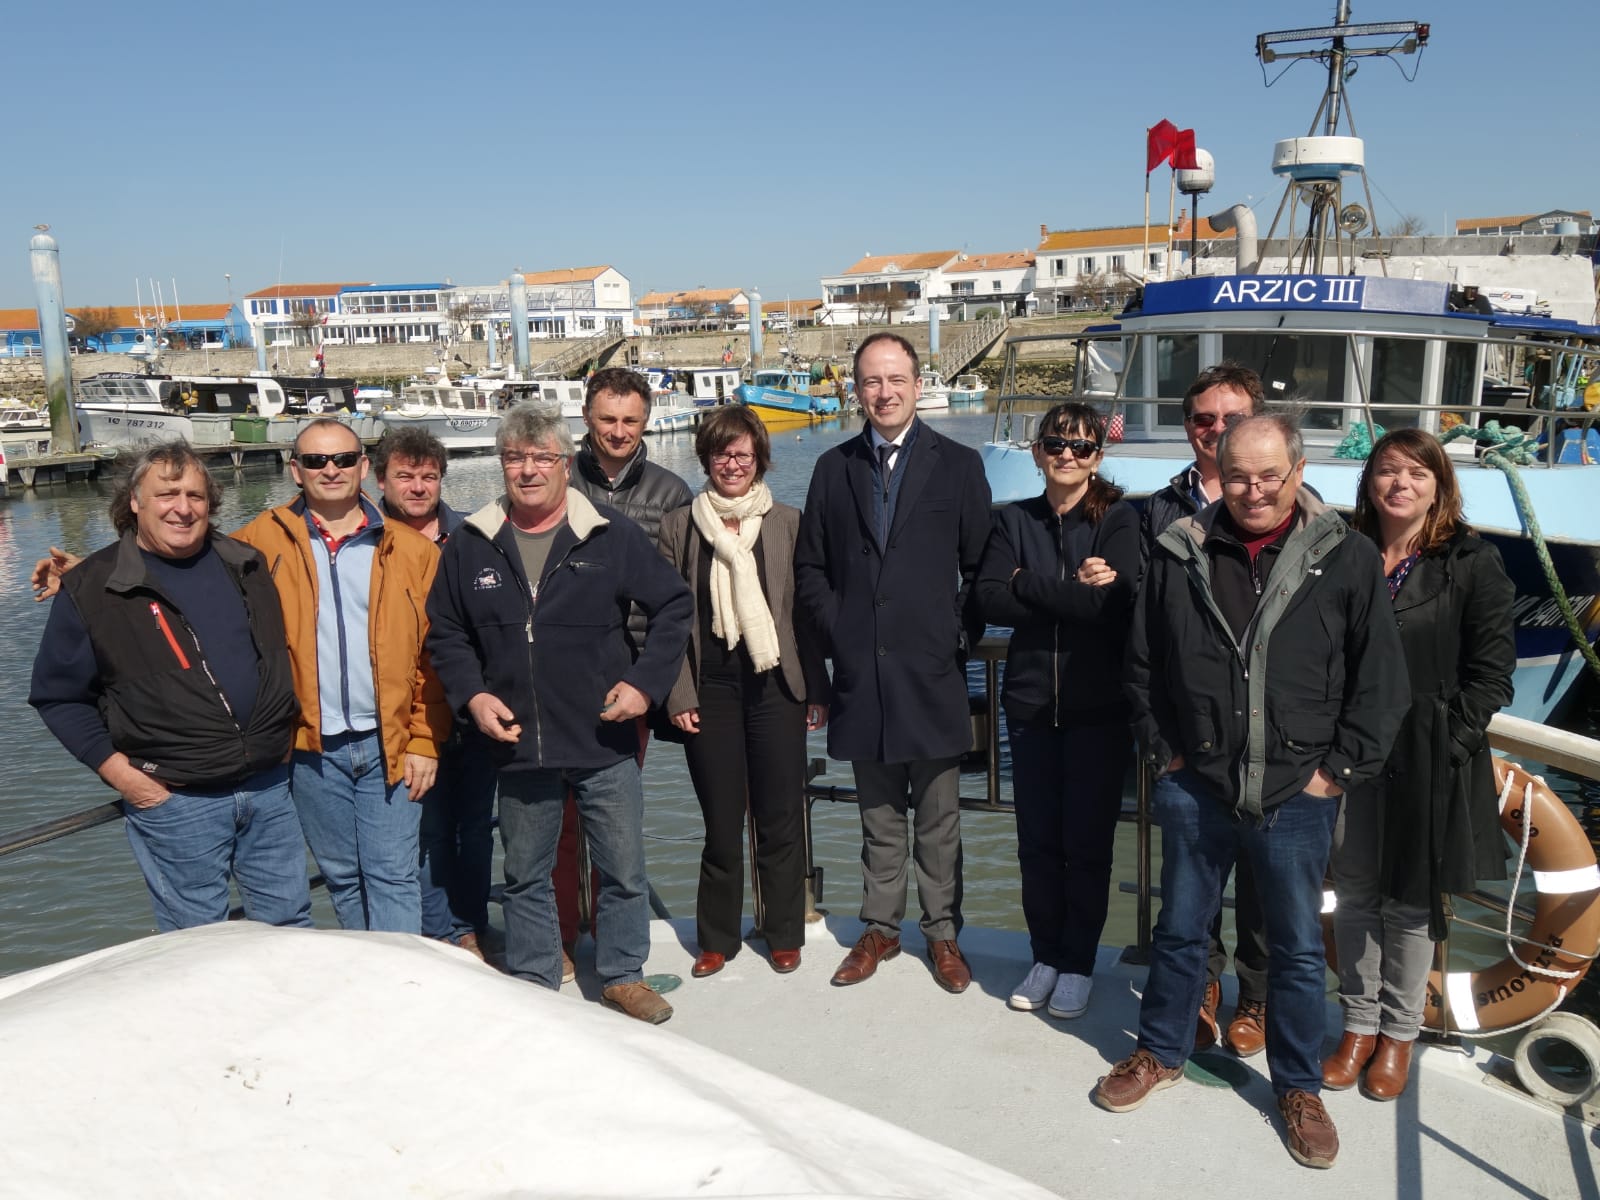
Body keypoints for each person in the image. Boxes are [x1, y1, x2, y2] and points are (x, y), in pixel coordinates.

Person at [1106, 413, 1410, 1171]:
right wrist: (1165, 756)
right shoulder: (1178, 551)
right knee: (1179, 932)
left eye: (1269, 475)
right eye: (1238, 473)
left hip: (1298, 796)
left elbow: (1381, 682)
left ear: (1298, 472)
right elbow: (1142, 668)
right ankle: (1160, 1052)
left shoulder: (1347, 555)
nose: (1253, 490)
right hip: (1196, 786)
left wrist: (1334, 773)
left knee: (1300, 953)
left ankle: (1298, 1088)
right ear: (1216, 465)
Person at [425, 404, 692, 1023]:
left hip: (604, 737)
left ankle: (623, 974)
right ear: (502, 465)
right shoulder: (472, 542)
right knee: (524, 873)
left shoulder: (609, 534)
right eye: (515, 458)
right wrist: (473, 695)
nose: (528, 470)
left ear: (565, 465)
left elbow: (673, 607)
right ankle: (536, 978)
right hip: (519, 745)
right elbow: (446, 632)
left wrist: (644, 686)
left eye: (542, 458)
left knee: (622, 869)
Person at [28, 441, 311, 931]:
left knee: (290, 927)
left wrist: (280, 744)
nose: (183, 507)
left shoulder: (245, 563)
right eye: (167, 494)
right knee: (195, 947)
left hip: (268, 788)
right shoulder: (94, 587)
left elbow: (273, 658)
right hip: (178, 801)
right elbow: (58, 696)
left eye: (195, 495)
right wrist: (125, 779)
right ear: (135, 501)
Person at [794, 332, 992, 993]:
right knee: (877, 818)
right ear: (856, 389)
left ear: (916, 384)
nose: (884, 392)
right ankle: (879, 928)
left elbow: (980, 567)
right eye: (871, 382)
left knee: (938, 821)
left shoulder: (959, 465)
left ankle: (942, 934)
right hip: (862, 674)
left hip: (930, 673)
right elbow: (811, 568)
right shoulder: (833, 468)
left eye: (896, 380)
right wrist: (841, 633)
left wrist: (951, 637)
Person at [1324, 428, 1515, 1100]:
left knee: (1408, 902)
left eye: (1416, 473)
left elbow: (1492, 676)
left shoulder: (1471, 560)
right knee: (1353, 891)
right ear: (1369, 482)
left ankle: (1397, 1036)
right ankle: (1356, 1025)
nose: (1400, 484)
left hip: (1426, 755)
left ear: (1439, 484)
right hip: (1349, 751)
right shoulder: (1344, 550)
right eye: (1387, 471)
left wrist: (1449, 744)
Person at [232, 418, 450, 934]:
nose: (330, 469)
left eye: (343, 459)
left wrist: (424, 739)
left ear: (364, 466)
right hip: (310, 748)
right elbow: (180, 561)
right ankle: (368, 990)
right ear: (295, 470)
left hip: (389, 742)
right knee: (343, 877)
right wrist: (87, 573)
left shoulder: (412, 551)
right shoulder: (256, 542)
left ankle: (401, 989)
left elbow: (433, 659)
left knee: (394, 873)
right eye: (315, 460)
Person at [976, 402, 1141, 1019]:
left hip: (1098, 710)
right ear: (1038, 451)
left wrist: (1029, 584)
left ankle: (1078, 963)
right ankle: (1044, 953)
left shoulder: (1120, 520)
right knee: (1037, 842)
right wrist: (1068, 590)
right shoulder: (1013, 519)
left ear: (1098, 456)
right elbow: (989, 596)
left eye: (1081, 447)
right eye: (1055, 444)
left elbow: (1108, 609)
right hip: (1028, 704)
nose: (1067, 455)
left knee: (1088, 844)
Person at [658, 406, 830, 978]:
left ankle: (783, 931)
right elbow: (667, 620)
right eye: (722, 453)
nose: (732, 464)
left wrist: (815, 690)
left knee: (780, 816)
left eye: (743, 454)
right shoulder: (680, 526)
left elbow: (803, 616)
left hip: (776, 682)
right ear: (707, 458)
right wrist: (677, 694)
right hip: (710, 690)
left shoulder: (787, 522)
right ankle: (717, 939)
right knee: (721, 820)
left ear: (759, 460)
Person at [1140, 362, 1272, 1056]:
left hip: (1267, 732)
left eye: (1231, 418)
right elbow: (1144, 633)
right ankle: (1204, 990)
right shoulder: (1159, 509)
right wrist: (1162, 743)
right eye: (1202, 419)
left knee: (1261, 877)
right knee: (1190, 882)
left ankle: (1256, 997)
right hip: (1189, 735)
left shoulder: (1289, 503)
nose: (1216, 431)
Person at [560, 365, 694, 969]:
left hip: (632, 681)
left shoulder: (669, 493)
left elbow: (682, 593)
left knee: (616, 828)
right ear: (588, 418)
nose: (618, 431)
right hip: (558, 677)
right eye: (607, 419)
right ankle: (562, 934)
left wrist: (658, 683)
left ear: (647, 422)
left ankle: (615, 945)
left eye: (630, 421)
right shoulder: (556, 481)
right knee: (556, 826)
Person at [370, 428, 498, 959]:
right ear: (381, 480)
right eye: (405, 475)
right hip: (404, 715)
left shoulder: (469, 535)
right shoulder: (366, 538)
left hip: (469, 706)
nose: (418, 487)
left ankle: (471, 924)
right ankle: (438, 931)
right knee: (424, 831)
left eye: (428, 476)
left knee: (475, 827)